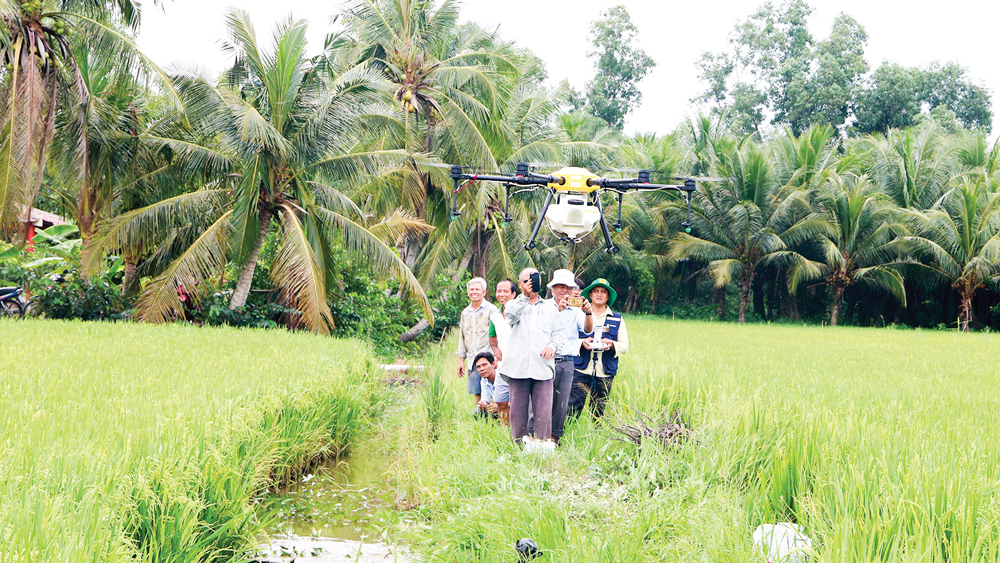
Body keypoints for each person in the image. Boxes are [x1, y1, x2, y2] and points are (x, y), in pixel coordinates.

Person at [502, 268, 565, 444]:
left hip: (542, 366)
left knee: (543, 412)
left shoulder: (550, 308)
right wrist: (524, 296)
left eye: (534, 279)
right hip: (518, 367)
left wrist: (552, 346)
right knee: (518, 411)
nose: (531, 283)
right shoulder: (513, 304)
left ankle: (542, 446)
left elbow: (560, 334)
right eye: (527, 280)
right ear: (520, 284)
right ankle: (518, 447)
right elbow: (510, 317)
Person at [568, 278, 629, 419]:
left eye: (603, 291)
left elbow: (625, 346)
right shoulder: (579, 315)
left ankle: (597, 438)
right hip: (581, 369)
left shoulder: (617, 319)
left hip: (604, 371)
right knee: (572, 409)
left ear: (608, 296)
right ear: (590, 295)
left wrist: (612, 345)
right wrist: (582, 342)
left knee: (598, 412)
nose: (599, 294)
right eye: (595, 291)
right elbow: (568, 339)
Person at [544, 270, 592, 444]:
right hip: (546, 359)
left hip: (566, 360)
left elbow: (587, 330)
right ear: (553, 289)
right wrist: (559, 310)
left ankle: (554, 438)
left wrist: (588, 312)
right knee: (542, 398)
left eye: (568, 287)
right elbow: (542, 330)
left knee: (561, 401)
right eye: (560, 286)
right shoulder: (544, 306)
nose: (564, 290)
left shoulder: (576, 310)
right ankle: (537, 435)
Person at [456, 277, 498, 407]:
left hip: (489, 358)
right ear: (468, 292)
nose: (474, 292)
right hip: (472, 360)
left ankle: (496, 420)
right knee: (477, 393)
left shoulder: (491, 310)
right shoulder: (465, 313)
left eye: (477, 289)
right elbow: (462, 337)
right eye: (471, 289)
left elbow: (497, 334)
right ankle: (480, 419)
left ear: (484, 292)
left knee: (495, 390)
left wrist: (496, 357)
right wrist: (461, 360)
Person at [487, 280, 516, 424]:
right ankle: (506, 432)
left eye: (506, 291)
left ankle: (520, 433)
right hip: (502, 366)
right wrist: (495, 348)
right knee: (501, 401)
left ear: (514, 294)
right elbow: (492, 336)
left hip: (519, 365)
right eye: (499, 291)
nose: (502, 294)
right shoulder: (495, 316)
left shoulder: (520, 312)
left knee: (519, 402)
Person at [472, 351, 501, 418]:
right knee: (477, 412)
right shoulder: (484, 380)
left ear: (493, 364)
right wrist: (483, 404)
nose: (482, 369)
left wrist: (499, 406)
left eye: (485, 365)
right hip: (497, 407)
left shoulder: (502, 377)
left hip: (510, 407)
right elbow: (485, 398)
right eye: (478, 367)